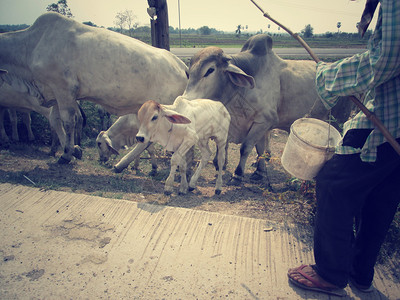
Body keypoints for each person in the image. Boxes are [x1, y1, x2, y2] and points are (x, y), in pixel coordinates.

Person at [287, 0, 400, 297]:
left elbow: (384, 60)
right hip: (398, 130)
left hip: (387, 121)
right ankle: (360, 273)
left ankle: (330, 274)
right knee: (382, 194)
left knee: (333, 183)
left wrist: (330, 75)